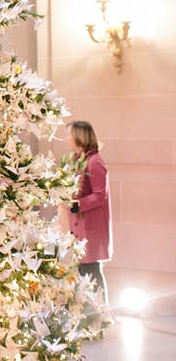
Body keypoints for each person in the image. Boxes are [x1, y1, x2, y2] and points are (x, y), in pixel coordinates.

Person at [65, 120, 112, 302]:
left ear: (79, 137)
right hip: (78, 229)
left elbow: (100, 196)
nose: (66, 138)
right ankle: (86, 317)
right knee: (80, 274)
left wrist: (75, 204)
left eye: (68, 134)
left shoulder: (95, 161)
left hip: (90, 231)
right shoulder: (77, 161)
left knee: (91, 274)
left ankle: (99, 319)